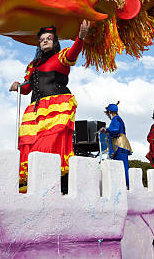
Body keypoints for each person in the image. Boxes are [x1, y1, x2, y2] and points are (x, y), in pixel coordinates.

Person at [9, 20, 90, 187]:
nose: (44, 41)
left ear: (55, 42)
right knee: (29, 145)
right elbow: (27, 88)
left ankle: (57, 180)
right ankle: (32, 182)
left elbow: (73, 54)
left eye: (48, 38)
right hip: (35, 110)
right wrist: (18, 86)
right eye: (42, 39)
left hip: (56, 105)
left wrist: (80, 38)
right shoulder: (33, 66)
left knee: (49, 143)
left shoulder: (61, 57)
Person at [100, 103, 132, 188]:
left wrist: (106, 129)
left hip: (119, 144)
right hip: (120, 144)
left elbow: (115, 130)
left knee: (122, 166)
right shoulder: (117, 119)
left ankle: (126, 185)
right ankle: (125, 185)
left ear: (109, 112)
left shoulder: (116, 119)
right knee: (121, 165)